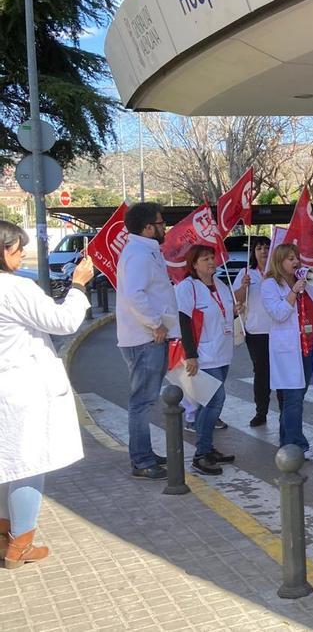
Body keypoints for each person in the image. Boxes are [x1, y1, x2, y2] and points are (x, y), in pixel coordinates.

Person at [0, 221, 94, 569]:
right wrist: (79, 286)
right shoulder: (13, 289)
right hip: (24, 387)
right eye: (15, 247)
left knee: (6, 462)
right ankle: (21, 543)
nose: (22, 252)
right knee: (28, 463)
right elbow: (62, 322)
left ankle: (4, 532)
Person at [261, 244, 313, 458]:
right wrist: (294, 292)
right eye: (289, 259)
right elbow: (278, 314)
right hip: (288, 351)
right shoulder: (270, 285)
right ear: (279, 262)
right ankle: (296, 445)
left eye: (296, 257)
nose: (295, 261)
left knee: (294, 398)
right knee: (293, 398)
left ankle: (286, 443)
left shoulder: (308, 282)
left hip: (308, 348)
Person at [116, 201, 177, 480]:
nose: (164, 227)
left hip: (149, 336)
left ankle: (145, 453)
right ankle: (140, 460)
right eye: (161, 223)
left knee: (145, 400)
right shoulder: (139, 254)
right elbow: (134, 295)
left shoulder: (146, 251)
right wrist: (155, 324)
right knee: (141, 402)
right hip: (144, 338)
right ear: (148, 227)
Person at [175, 245, 237, 476]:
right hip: (203, 355)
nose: (211, 262)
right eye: (205, 259)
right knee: (215, 401)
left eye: (212, 257)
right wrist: (190, 354)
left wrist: (235, 311)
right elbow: (183, 322)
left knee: (206, 404)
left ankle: (207, 447)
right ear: (194, 264)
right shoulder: (187, 288)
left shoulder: (220, 284)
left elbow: (223, 312)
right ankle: (200, 454)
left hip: (222, 351)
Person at [233, 236, 280, 427]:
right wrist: (244, 286)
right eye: (259, 248)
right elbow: (236, 301)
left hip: (279, 330)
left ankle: (285, 409)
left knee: (281, 371)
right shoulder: (247, 273)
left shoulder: (278, 272)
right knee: (261, 372)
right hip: (256, 330)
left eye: (267, 247)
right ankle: (261, 411)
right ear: (253, 252)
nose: (263, 251)